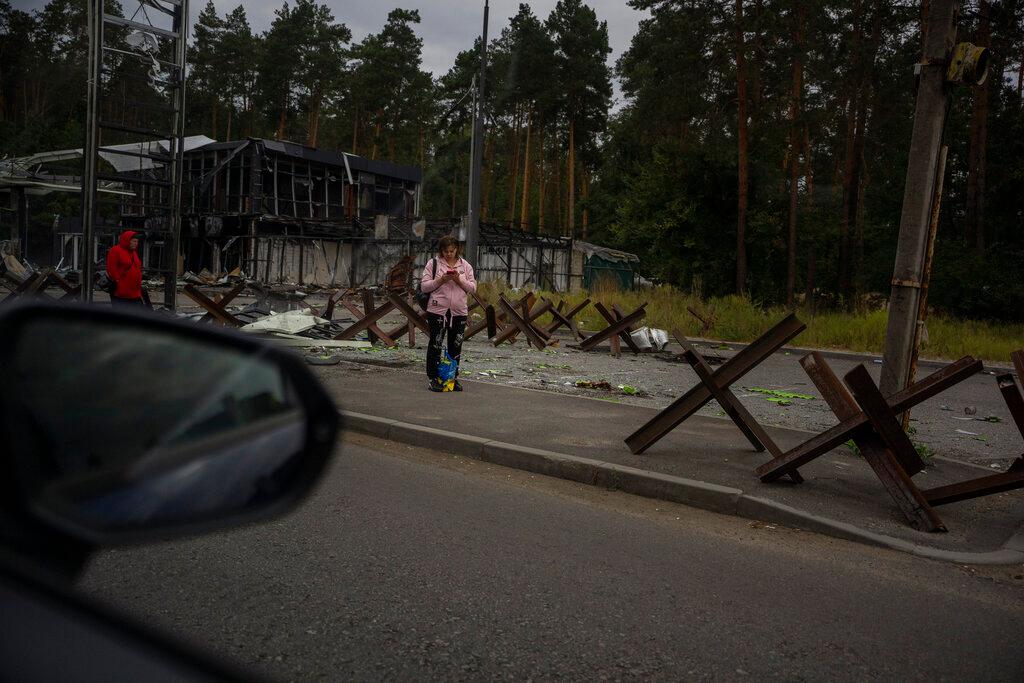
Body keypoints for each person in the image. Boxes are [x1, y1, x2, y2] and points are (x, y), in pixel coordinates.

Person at [420, 235, 476, 392]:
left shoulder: (465, 266)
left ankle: (451, 377)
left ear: (457, 249)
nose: (449, 254)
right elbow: (424, 287)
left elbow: (472, 288)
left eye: (452, 251)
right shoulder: (433, 264)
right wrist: (441, 280)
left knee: (456, 345)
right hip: (437, 310)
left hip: (459, 311)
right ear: (441, 251)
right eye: (446, 251)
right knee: (436, 344)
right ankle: (433, 378)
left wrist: (459, 280)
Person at [106, 230, 147, 307]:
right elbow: (111, 269)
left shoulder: (133, 252)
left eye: (137, 242)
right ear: (127, 240)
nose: (136, 244)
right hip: (122, 291)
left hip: (134, 291)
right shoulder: (116, 250)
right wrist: (118, 281)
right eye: (134, 241)